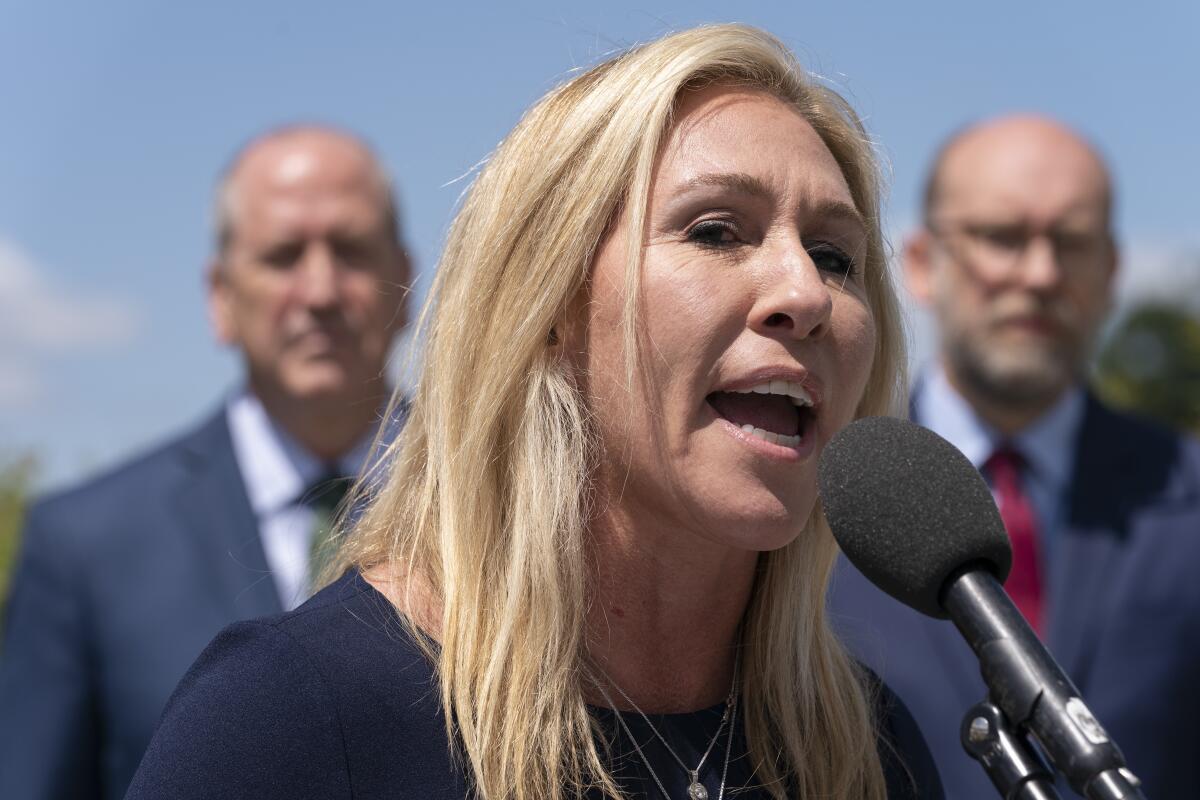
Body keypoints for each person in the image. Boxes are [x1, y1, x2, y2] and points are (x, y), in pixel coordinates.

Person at [126, 25, 944, 800]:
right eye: (717, 231)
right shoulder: (286, 720)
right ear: (549, 300)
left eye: (836, 256)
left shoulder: (868, 750)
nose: (804, 294)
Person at [0, 126, 410, 800]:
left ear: (406, 282)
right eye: (282, 256)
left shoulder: (512, 507)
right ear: (221, 298)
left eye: (351, 252)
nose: (320, 290)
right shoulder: (84, 547)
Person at [828, 115, 1200, 798]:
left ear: (1111, 270)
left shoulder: (1189, 495)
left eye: (1072, 241)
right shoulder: (817, 503)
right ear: (920, 263)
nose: (1039, 272)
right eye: (1001, 237)